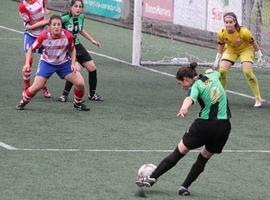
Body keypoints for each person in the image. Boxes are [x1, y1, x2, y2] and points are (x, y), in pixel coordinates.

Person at [136, 62, 231, 196]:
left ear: (186, 79)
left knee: (179, 152)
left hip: (204, 126)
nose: (182, 87)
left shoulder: (195, 86)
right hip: (224, 127)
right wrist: (212, 68)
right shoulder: (213, 76)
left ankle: (152, 178)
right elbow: (214, 70)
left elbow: (190, 99)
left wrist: (184, 107)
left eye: (181, 84)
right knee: (203, 158)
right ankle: (184, 187)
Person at [16, 15, 90, 111]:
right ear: (50, 26)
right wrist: (26, 63)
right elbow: (31, 49)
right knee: (36, 87)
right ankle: (23, 102)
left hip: (63, 63)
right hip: (47, 63)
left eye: (59, 24)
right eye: (54, 24)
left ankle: (78, 103)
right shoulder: (43, 36)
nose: (56, 27)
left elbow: (73, 50)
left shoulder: (68, 36)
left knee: (80, 83)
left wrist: (74, 63)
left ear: (61, 26)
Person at [213, 12, 264, 107]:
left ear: (235, 22)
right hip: (231, 50)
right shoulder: (221, 32)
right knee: (222, 71)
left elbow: (253, 42)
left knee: (247, 72)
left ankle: (258, 98)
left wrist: (259, 54)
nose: (228, 24)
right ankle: (222, 96)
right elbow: (221, 45)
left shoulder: (244, 32)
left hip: (246, 49)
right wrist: (217, 58)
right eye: (226, 22)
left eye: (230, 22)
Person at [57, 0, 103, 102]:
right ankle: (64, 95)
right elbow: (53, 25)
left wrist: (92, 40)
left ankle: (92, 94)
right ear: (71, 7)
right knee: (75, 69)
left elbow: (80, 30)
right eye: (76, 6)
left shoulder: (81, 17)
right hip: (68, 47)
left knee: (92, 68)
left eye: (80, 7)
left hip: (77, 45)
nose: (78, 9)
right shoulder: (65, 18)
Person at [19, 0, 51, 98]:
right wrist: (45, 22)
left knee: (48, 61)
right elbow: (30, 26)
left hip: (44, 34)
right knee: (29, 62)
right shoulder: (23, 6)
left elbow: (44, 4)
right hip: (31, 35)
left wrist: (45, 10)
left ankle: (42, 85)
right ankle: (27, 87)